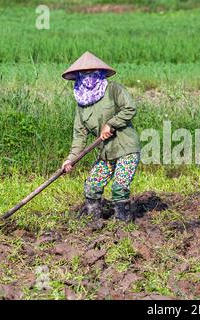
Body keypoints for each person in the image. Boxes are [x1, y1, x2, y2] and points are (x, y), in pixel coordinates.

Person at [61, 51, 141, 221]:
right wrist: (71, 159)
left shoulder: (113, 90)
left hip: (126, 147)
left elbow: (130, 108)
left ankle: (123, 224)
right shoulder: (81, 104)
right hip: (106, 152)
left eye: (92, 73)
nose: (89, 78)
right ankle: (93, 221)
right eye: (85, 74)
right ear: (78, 77)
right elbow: (79, 135)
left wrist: (111, 124)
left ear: (100, 73)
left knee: (119, 187)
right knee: (92, 186)